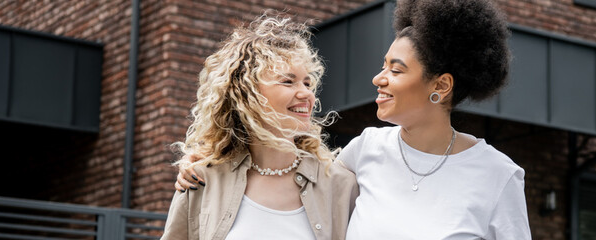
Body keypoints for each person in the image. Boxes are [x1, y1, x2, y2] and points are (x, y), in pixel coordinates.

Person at [176, 0, 531, 238]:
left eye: (396, 70)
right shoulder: (365, 151)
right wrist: (206, 156)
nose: (379, 78)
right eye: (382, 66)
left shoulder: (498, 176)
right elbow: (287, 165)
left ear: (440, 85)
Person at [162, 13, 357, 240]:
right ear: (247, 95)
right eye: (288, 81)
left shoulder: (340, 185)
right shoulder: (202, 180)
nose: (307, 94)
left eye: (307, 83)